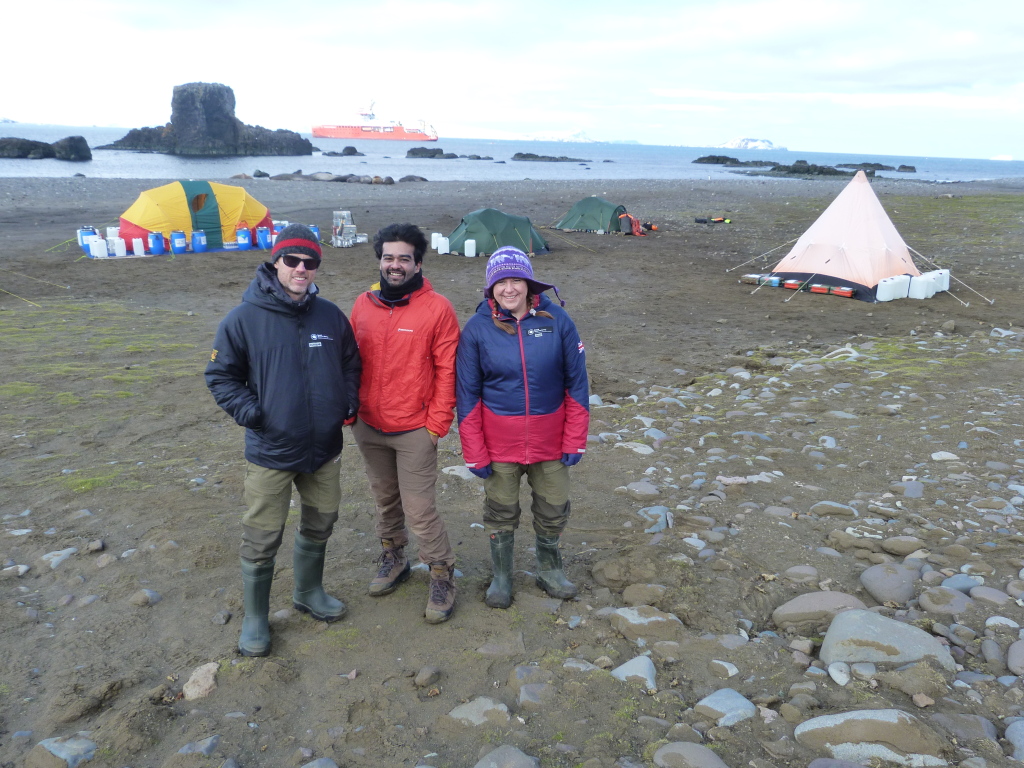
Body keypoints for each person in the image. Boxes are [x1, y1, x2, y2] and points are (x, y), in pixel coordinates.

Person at [205, 224, 361, 656]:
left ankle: (308, 591)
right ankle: (256, 617)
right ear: (276, 262)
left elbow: (351, 363)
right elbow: (220, 376)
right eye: (292, 260)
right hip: (272, 449)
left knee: (321, 520)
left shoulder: (330, 316)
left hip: (324, 448)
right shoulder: (243, 319)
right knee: (261, 535)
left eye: (310, 263)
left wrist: (347, 403)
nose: (300, 269)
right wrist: (254, 414)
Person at [456, 246, 589, 609]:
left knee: (553, 507)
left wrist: (575, 439)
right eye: (501, 281)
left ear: (528, 282)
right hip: (500, 445)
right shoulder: (476, 330)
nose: (509, 288)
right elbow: (466, 396)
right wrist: (474, 451)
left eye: (516, 279)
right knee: (500, 511)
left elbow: (577, 384)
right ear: (490, 287)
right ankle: (501, 576)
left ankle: (549, 569)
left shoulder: (557, 320)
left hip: (552, 442)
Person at [349, 223, 460, 624]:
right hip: (368, 425)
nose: (395, 265)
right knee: (384, 498)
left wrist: (436, 425)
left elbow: (448, 371)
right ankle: (393, 557)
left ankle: (442, 573)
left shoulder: (437, 309)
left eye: (403, 258)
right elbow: (350, 362)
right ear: (380, 260)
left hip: (415, 428)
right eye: (388, 257)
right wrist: (351, 413)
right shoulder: (363, 304)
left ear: (417, 263)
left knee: (420, 508)